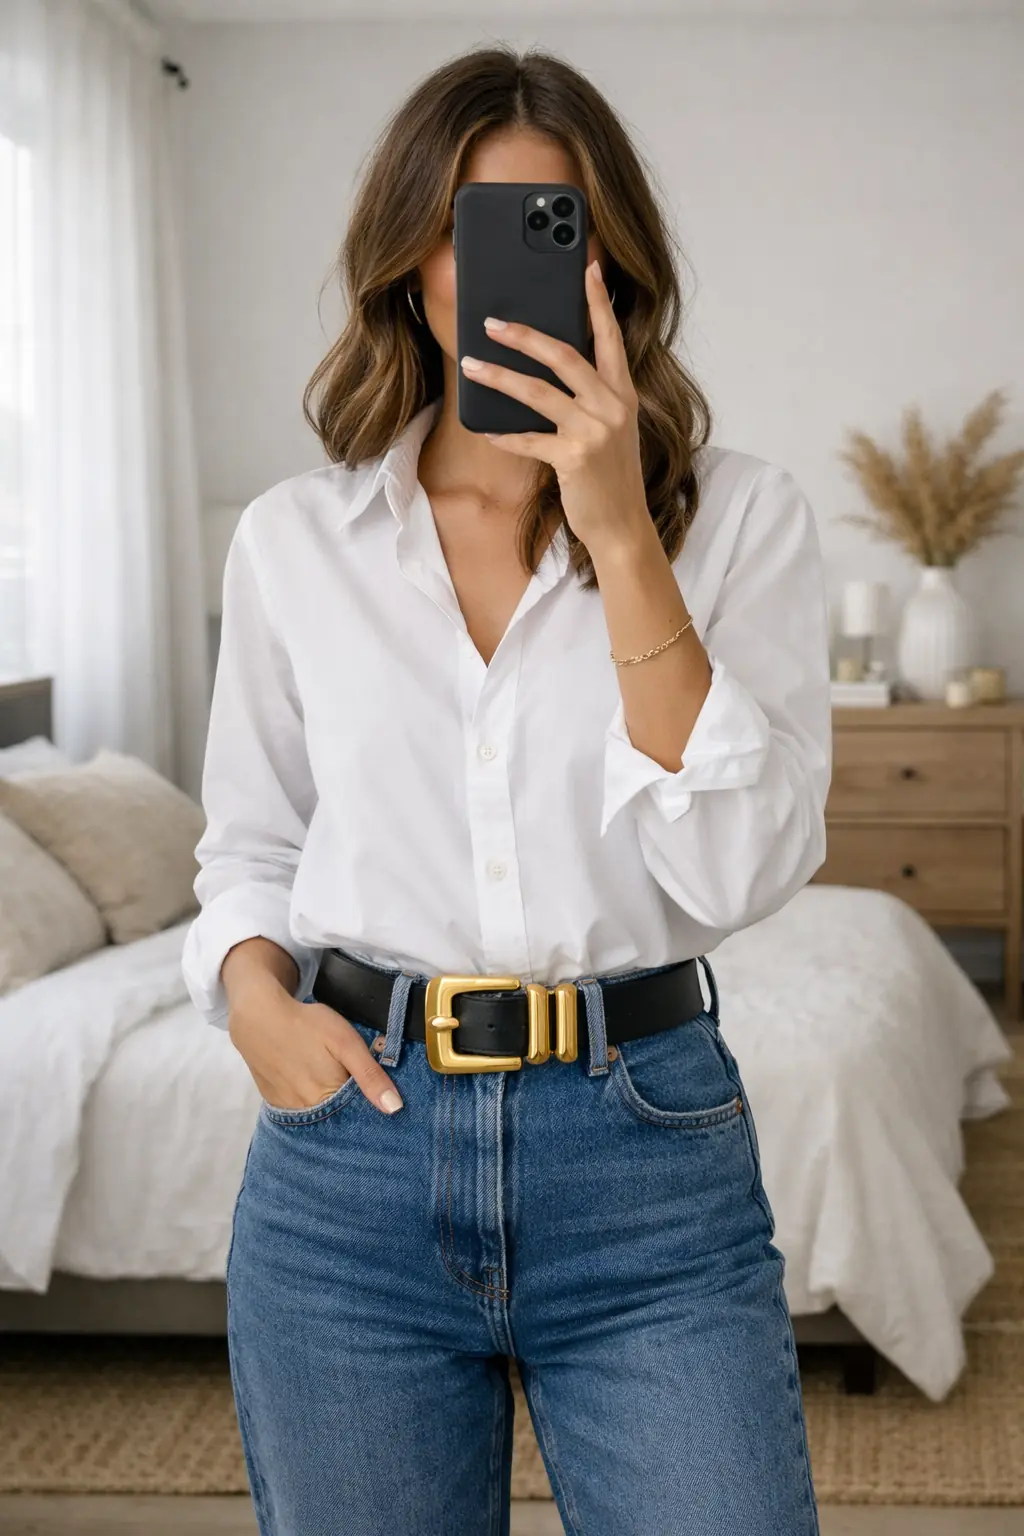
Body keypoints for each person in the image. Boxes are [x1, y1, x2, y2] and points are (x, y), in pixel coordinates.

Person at [182, 42, 831, 1536]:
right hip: (348, 1170)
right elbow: (252, 841)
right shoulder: (296, 541)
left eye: (555, 230)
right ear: (411, 263)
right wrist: (252, 1000)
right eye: (471, 228)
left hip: (647, 1160)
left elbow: (737, 876)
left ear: (613, 267)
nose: (508, 272)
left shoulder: (742, 520)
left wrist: (619, 531)